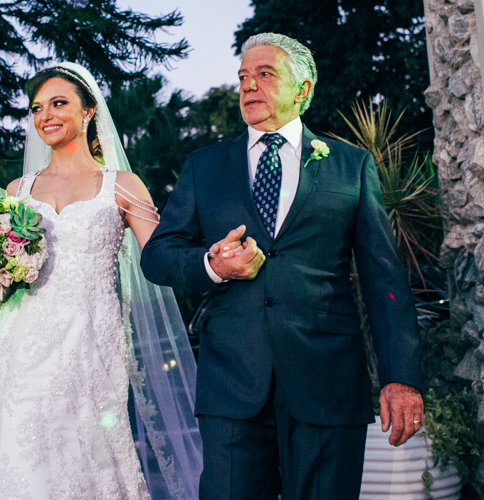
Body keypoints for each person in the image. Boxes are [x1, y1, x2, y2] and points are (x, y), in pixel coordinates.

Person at [140, 33, 424, 500]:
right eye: (243, 77)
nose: (248, 85)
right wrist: (213, 265)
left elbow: (385, 280)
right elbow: (157, 255)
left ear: (303, 89)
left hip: (327, 381)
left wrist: (401, 377)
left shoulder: (351, 166)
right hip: (232, 383)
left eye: (265, 74)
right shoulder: (204, 166)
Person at [0, 63, 203, 500]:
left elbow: (163, 257)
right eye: (37, 108)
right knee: (20, 453)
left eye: (59, 103)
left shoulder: (122, 186)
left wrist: (214, 260)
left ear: (89, 111)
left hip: (90, 344)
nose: (46, 116)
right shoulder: (16, 190)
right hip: (22, 345)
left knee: (88, 452)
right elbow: (0, 271)